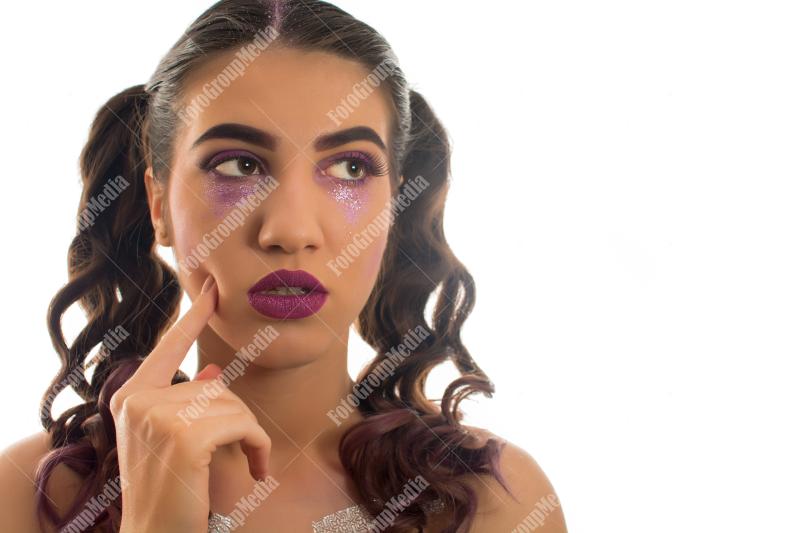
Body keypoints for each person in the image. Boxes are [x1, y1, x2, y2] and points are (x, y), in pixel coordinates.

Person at [0, 1, 568, 531]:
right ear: (159, 205)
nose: (291, 230)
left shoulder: (493, 499)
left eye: (349, 168)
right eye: (239, 165)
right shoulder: (30, 493)